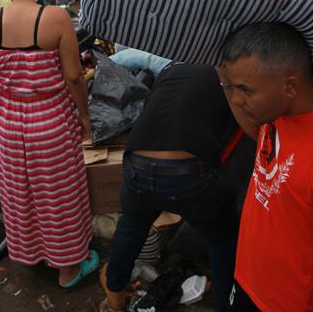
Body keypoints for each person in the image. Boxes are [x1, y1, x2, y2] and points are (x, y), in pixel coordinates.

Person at [218, 22, 313, 312]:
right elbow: (260, 139)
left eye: (245, 90)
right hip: (248, 284)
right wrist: (226, 82)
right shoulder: (277, 113)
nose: (237, 100)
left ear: (290, 85)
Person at [0, 0, 97, 288]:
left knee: (20, 191)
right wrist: (84, 115)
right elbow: (73, 76)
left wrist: (2, 104)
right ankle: (68, 268)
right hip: (52, 122)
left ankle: (33, 253)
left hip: (9, 125)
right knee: (59, 194)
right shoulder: (54, 18)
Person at [103, 64, 244, 312]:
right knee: (221, 238)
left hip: (137, 166)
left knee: (133, 224)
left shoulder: (170, 71)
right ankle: (226, 304)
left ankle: (114, 289)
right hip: (189, 175)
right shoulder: (229, 76)